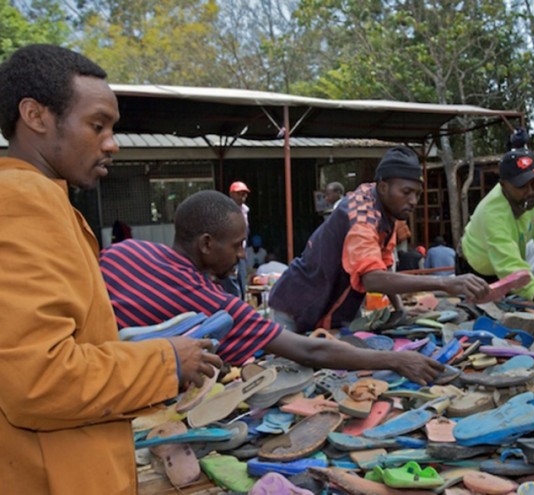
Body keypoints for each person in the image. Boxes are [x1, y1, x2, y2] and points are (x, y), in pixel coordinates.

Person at [0, 44, 222, 494]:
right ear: (36, 116)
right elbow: (38, 380)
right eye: (97, 125)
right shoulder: (26, 201)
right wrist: (165, 361)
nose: (111, 143)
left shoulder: (44, 198)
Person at [100, 190, 444, 384]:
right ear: (206, 244)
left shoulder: (122, 250)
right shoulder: (213, 305)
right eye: (236, 245)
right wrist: (397, 360)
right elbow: (310, 351)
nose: (240, 255)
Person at [268, 146, 491, 333]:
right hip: (295, 309)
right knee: (286, 375)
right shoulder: (362, 216)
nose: (413, 201)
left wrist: (400, 310)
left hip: (334, 312)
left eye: (417, 194)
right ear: (383, 187)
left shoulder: (387, 211)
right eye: (406, 192)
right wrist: (445, 282)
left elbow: (383, 268)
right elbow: (372, 279)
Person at [460, 130, 534, 312]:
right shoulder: (493, 213)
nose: (531, 191)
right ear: (503, 185)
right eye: (521, 186)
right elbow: (511, 269)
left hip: (506, 268)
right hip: (477, 272)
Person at [219, 180, 251, 299]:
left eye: (244, 193)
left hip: (240, 252)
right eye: (239, 193)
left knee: (242, 281)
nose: (242, 196)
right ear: (232, 194)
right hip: (230, 251)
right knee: (231, 283)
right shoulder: (227, 211)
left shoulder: (245, 211)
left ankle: (241, 306)